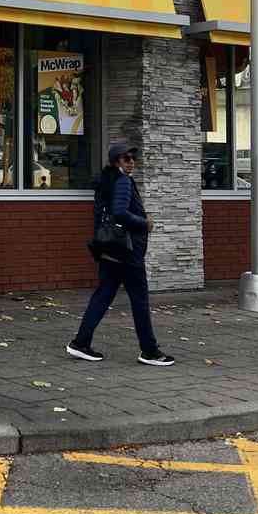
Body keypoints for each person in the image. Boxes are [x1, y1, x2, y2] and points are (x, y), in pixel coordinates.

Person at [67, 142, 176, 366]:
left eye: (133, 158)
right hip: (127, 250)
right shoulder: (123, 181)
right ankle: (150, 351)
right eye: (127, 159)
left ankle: (80, 343)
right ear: (117, 161)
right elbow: (119, 213)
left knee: (104, 294)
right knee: (139, 299)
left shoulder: (107, 181)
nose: (132, 162)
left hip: (110, 248)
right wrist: (144, 223)